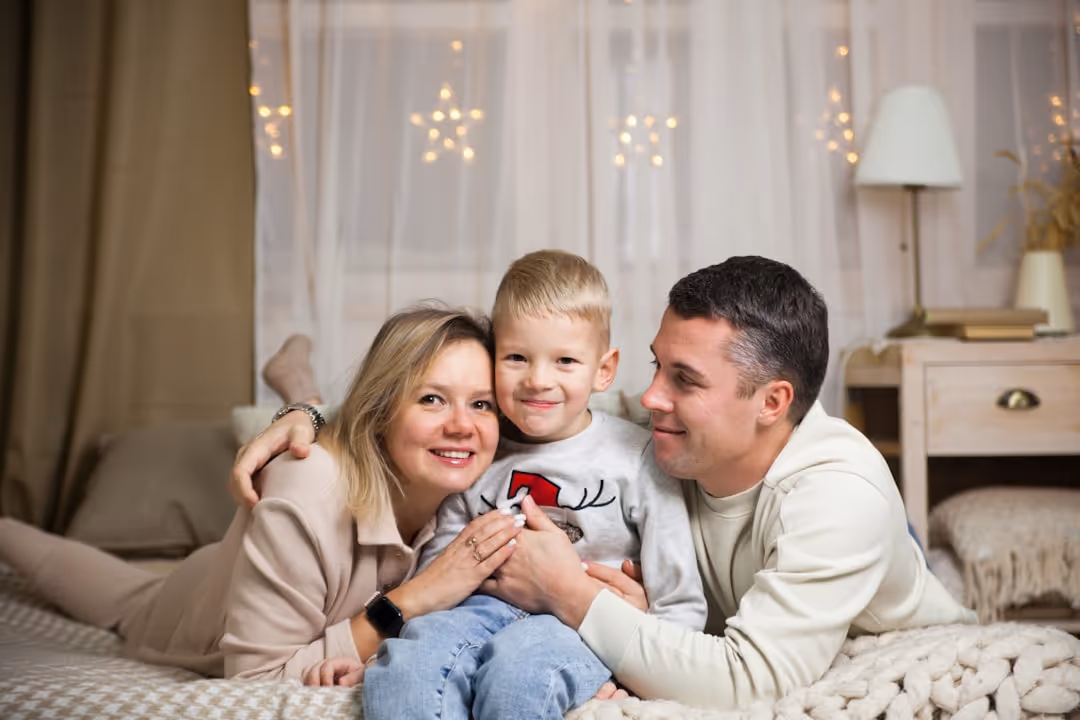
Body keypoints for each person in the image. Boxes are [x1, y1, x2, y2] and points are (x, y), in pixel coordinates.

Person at [237, 256, 977, 711]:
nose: (651, 396)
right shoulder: (653, 426)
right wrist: (309, 411)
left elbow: (750, 683)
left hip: (845, 577)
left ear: (773, 403)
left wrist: (574, 594)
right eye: (656, 366)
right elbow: (532, 401)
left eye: (682, 379)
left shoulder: (833, 497)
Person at [0, 306, 521, 684]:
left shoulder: (491, 477)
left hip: (270, 560)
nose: (463, 426)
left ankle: (300, 391)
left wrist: (303, 414)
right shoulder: (306, 490)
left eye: (481, 404)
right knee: (102, 587)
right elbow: (254, 679)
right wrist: (415, 598)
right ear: (381, 412)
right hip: (194, 601)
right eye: (432, 398)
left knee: (307, 422)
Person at [362, 250, 706, 720]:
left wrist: (642, 671)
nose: (538, 380)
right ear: (493, 359)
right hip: (475, 612)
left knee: (520, 670)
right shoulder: (479, 447)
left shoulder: (639, 455)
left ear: (603, 369)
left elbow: (678, 598)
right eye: (517, 358)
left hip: (577, 625)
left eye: (565, 360)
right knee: (411, 662)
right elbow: (439, 568)